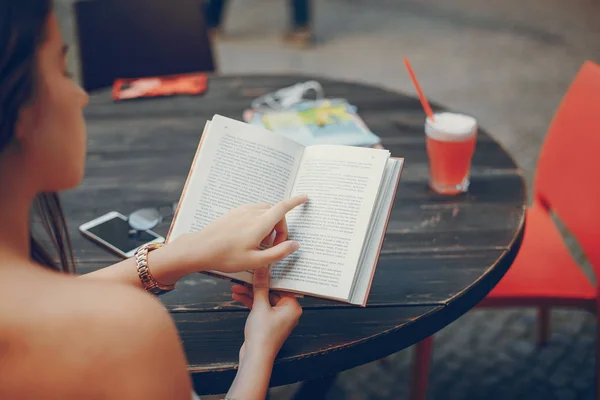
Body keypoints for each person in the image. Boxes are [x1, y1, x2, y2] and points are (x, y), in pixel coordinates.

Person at [0, 1, 307, 399]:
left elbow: (41, 307)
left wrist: (179, 255)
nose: (80, 96)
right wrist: (257, 351)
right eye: (62, 71)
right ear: (18, 106)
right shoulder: (128, 332)